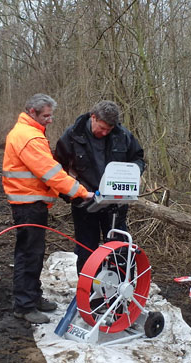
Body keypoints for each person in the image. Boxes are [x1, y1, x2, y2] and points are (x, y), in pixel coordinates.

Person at [2, 93, 93, 324]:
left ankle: (32, 296)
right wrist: (80, 192)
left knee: (34, 253)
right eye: (46, 115)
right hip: (28, 205)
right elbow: (51, 172)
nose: (50, 120)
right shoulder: (29, 138)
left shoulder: (29, 133)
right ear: (32, 112)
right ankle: (24, 306)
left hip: (31, 203)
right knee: (28, 255)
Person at [54, 100, 145, 273]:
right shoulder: (72, 136)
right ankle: (88, 294)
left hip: (116, 205)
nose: (104, 133)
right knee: (87, 252)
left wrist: (135, 173)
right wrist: (72, 194)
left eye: (108, 130)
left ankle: (119, 293)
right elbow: (57, 170)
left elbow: (138, 158)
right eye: (101, 128)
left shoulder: (123, 135)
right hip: (85, 205)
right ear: (93, 117)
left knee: (120, 251)